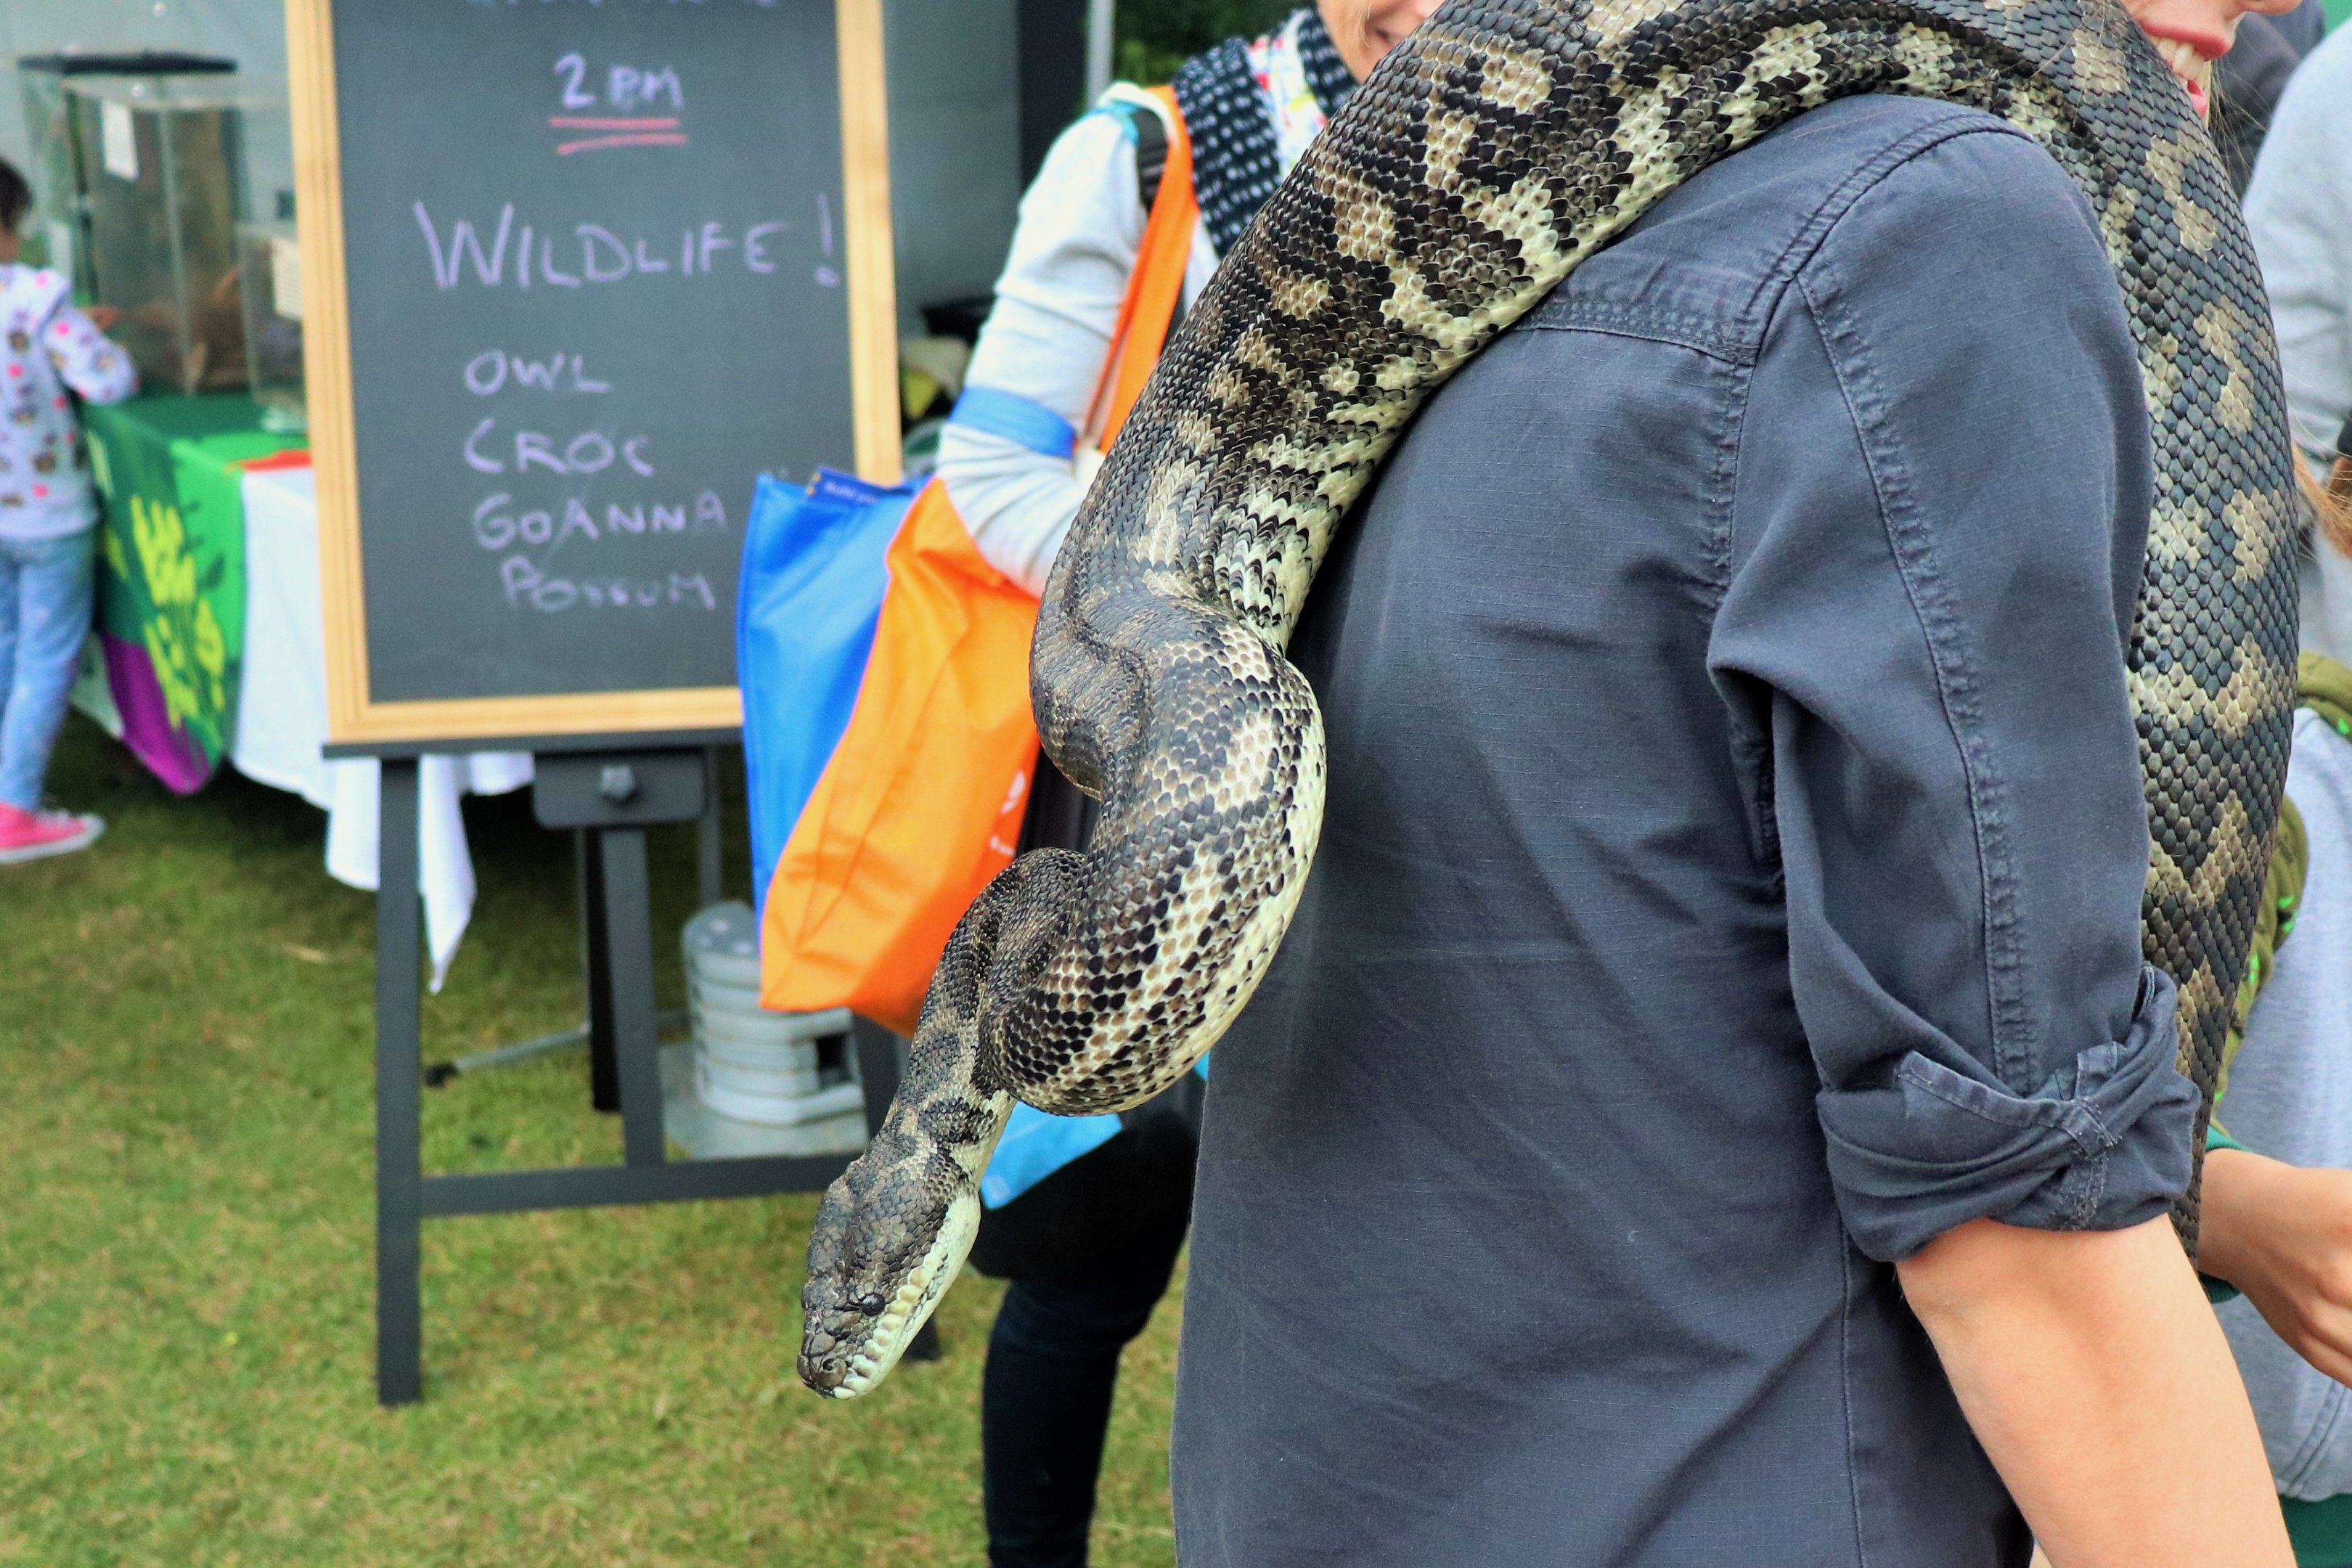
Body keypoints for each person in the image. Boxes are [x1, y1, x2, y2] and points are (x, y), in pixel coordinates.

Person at [1158, 1, 2302, 1564]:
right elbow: (2023, 1245)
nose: (2224, 10)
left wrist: (2213, 1202)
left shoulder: (1422, 259)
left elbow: (1637, 953)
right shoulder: (1931, 226)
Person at [938, 7, 1440, 1565]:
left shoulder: (1541, 92)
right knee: (1088, 1265)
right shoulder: (1155, 146)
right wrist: (1189, 556)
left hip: (1419, 812)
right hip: (1161, 786)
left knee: (1367, 1258)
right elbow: (995, 474)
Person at [0, 158, 135, 866]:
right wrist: (91, 335)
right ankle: (15, 809)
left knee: (3, 650)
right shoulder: (36, 298)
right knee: (45, 660)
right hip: (50, 519)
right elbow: (107, 381)